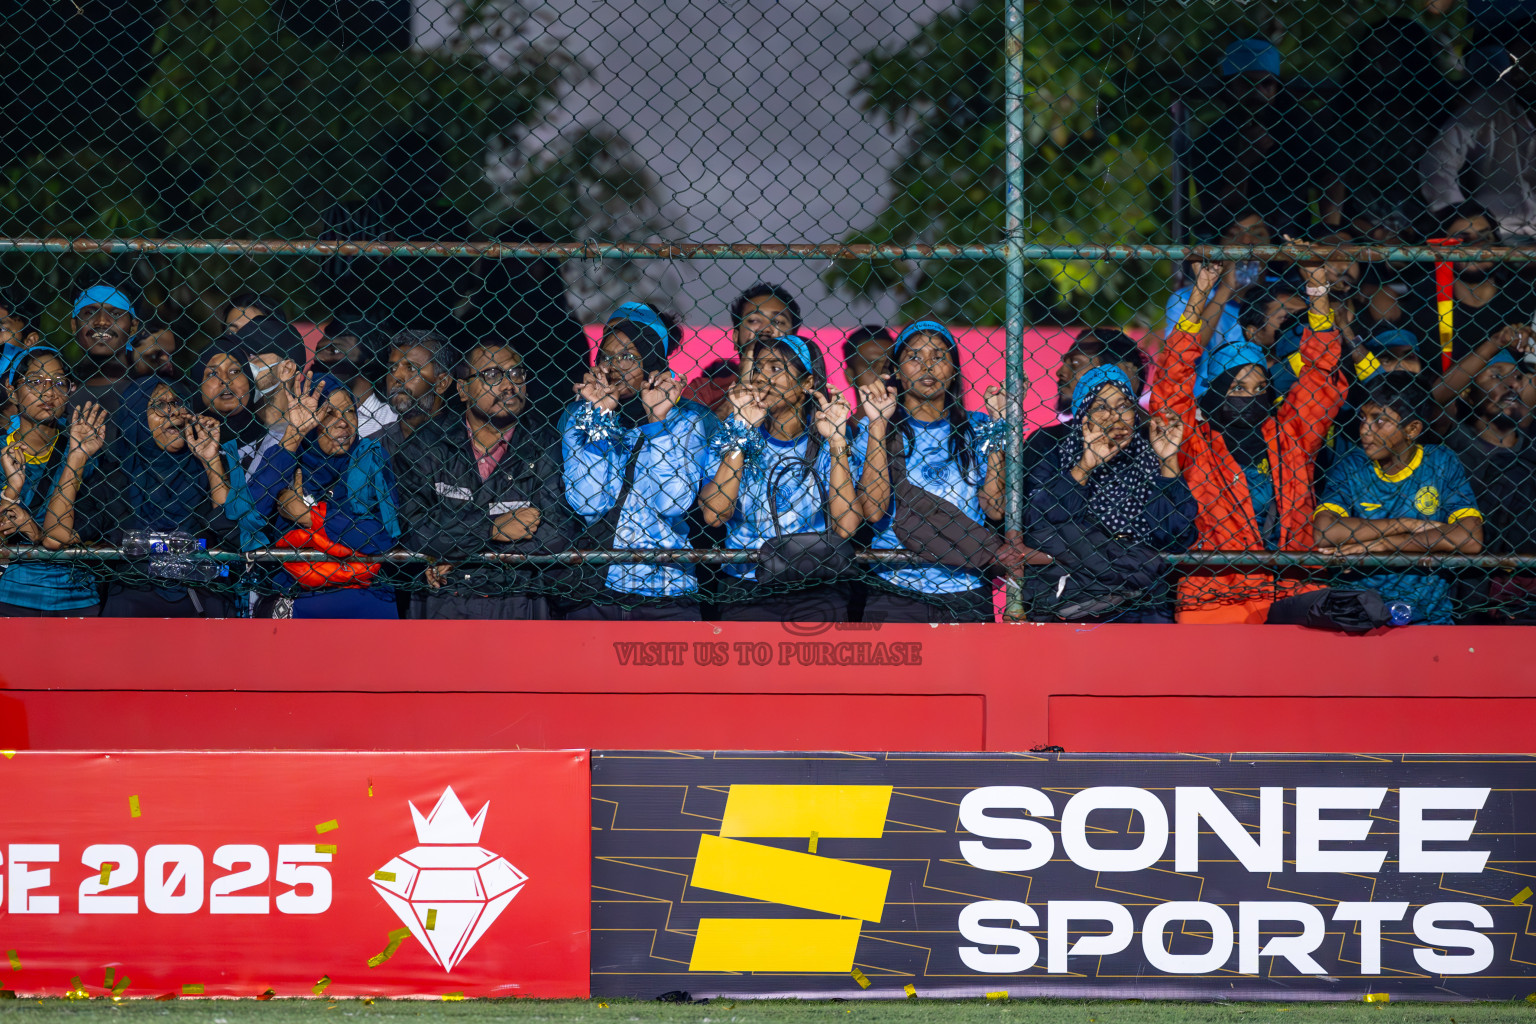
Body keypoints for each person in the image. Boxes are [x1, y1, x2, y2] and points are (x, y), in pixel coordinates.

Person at [1153, 261, 1347, 623]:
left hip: (1293, 588)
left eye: (1260, 389)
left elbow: (1322, 373)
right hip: (1215, 595)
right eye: (1237, 388)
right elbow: (1173, 375)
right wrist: (1202, 289)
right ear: (1216, 392)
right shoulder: (1193, 441)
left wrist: (1318, 289)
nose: (1250, 397)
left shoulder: (1291, 435)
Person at [562, 302, 719, 620]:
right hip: (596, 586)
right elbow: (589, 502)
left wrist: (658, 424)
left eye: (628, 356)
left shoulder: (687, 419)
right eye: (607, 356)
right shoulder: (580, 415)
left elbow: (672, 503)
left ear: (652, 360)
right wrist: (600, 417)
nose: (614, 367)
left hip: (667, 587)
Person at [397, 339, 573, 619]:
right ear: (463, 389)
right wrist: (490, 529)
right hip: (444, 599)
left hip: (519, 598)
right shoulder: (428, 444)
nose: (509, 385)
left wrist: (457, 554)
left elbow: (557, 535)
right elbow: (415, 534)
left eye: (516, 373)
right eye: (492, 375)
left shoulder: (546, 444)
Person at [699, 333, 864, 621]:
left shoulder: (828, 438)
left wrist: (837, 440)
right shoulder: (733, 432)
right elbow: (714, 515)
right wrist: (742, 432)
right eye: (758, 368)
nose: (763, 377)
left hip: (815, 583)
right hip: (745, 585)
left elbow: (846, 527)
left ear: (807, 383)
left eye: (776, 368)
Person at [856, 321, 1009, 623]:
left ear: (953, 369)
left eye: (939, 356)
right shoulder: (874, 427)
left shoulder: (979, 426)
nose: (927, 365)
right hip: (895, 584)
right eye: (914, 357)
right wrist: (878, 424)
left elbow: (995, 507)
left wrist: (998, 424)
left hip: (966, 586)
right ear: (896, 371)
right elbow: (872, 511)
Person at [46, 378, 236, 617]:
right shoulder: (115, 479)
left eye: (178, 402)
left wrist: (211, 461)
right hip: (132, 602)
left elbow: (232, 531)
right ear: (135, 417)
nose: (173, 411)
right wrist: (77, 457)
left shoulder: (206, 471)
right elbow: (55, 537)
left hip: (203, 600)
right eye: (159, 405)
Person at [1025, 364, 1197, 622]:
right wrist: (1086, 466)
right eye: (1101, 407)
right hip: (1082, 596)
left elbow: (1177, 537)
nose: (1115, 416)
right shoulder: (1057, 453)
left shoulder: (1149, 454)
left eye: (1123, 405)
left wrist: (1168, 462)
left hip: (1145, 600)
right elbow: (1038, 523)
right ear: (1083, 416)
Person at [1314, 372, 1483, 624]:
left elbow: (1469, 538)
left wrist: (1384, 544)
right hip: (1360, 614)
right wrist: (1404, 524)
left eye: (1379, 420)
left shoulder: (1440, 461)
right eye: (1363, 417)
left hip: (1430, 617)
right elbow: (1326, 532)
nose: (1365, 429)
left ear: (1412, 429)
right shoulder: (1352, 464)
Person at [247, 372, 401, 618]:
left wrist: (309, 517)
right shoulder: (286, 459)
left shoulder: (370, 459)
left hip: (363, 592)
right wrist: (294, 434)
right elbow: (249, 515)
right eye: (329, 413)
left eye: (350, 411)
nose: (343, 423)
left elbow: (381, 537)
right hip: (296, 592)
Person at [0, 348, 107, 615]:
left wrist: (35, 532)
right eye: (35, 382)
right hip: (10, 593)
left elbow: (66, 534)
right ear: (12, 391)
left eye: (59, 383)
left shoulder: (86, 452)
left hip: (77, 595)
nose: (48, 393)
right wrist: (12, 489)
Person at [1320, 16, 1445, 235]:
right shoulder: (1348, 109)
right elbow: (1334, 171)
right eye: (1371, 54)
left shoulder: (1434, 110)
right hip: (1359, 220)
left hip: (1426, 219)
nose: (1377, 64)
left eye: (1389, 54)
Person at [1440, 341, 1536, 621]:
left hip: (1524, 583)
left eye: (1516, 377)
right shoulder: (1456, 440)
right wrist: (1494, 343)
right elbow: (1436, 399)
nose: (1511, 384)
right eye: (1496, 376)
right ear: (1468, 393)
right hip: (1468, 579)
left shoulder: (1530, 447)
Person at [1189, 41, 1323, 240]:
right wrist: (1243, 162)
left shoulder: (1297, 128)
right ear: (1229, 86)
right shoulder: (1209, 143)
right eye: (1247, 83)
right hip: (1235, 242)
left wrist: (1329, 228)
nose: (1258, 92)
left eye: (1266, 84)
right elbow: (1215, 212)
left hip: (1293, 240)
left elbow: (1332, 172)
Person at [1421, 25, 1536, 244]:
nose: (1521, 73)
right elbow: (1437, 161)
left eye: (1531, 64)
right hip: (1496, 228)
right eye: (1517, 64)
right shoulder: (1491, 102)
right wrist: (1458, 212)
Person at [1403, 204, 1536, 360]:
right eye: (1462, 239)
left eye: (1484, 238)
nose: (1476, 247)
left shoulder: (1525, 297)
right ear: (1440, 249)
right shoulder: (1421, 306)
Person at [1023, 327, 1147, 479]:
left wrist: (1129, 392)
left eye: (1076, 363)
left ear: (1116, 371)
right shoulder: (1046, 443)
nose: (1060, 372)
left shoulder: (1155, 442)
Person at [681, 283, 801, 416]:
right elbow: (690, 429)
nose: (766, 329)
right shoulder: (704, 391)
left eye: (778, 321)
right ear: (735, 337)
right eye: (754, 320)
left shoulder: (807, 390)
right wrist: (743, 384)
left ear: (795, 338)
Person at [367, 330, 455, 454]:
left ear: (442, 382)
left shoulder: (461, 441)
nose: (396, 376)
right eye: (393, 368)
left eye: (412, 368)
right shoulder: (373, 446)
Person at [69, 284, 140, 416]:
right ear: (74, 325)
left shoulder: (149, 394)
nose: (101, 321)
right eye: (90, 313)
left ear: (133, 328)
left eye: (115, 314)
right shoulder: (60, 394)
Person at [844, 325, 896, 416]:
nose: (884, 374)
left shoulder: (914, 424)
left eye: (889, 365)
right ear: (850, 376)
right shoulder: (837, 425)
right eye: (872, 366)